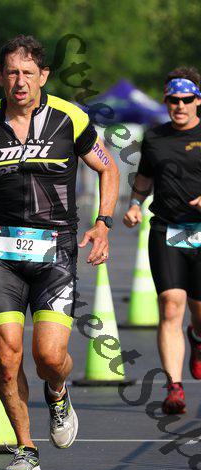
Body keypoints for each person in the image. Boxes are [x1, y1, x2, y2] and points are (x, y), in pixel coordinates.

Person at [0, 35, 119, 470]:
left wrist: (103, 223)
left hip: (56, 250)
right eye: (12, 73)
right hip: (2, 252)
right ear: (0, 76)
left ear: (44, 76)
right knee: (6, 357)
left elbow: (107, 167)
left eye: (28, 73)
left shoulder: (70, 119)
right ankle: (26, 448)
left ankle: (57, 392)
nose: (20, 81)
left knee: (49, 357)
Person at [124, 66, 201, 415]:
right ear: (166, 102)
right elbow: (144, 178)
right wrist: (134, 205)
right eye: (173, 100)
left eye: (186, 99)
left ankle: (196, 337)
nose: (179, 106)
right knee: (171, 304)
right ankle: (174, 387)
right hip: (167, 229)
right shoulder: (154, 137)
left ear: (197, 101)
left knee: (198, 311)